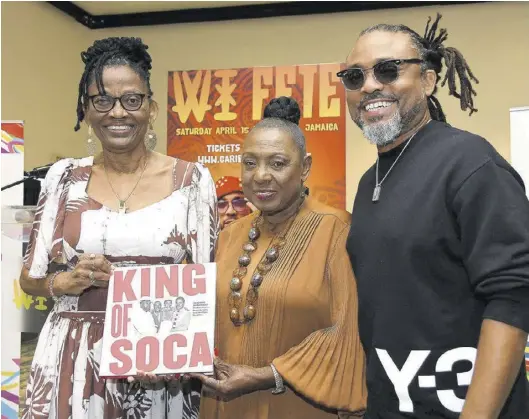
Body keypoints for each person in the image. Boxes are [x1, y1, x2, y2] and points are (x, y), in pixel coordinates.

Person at [18, 37, 219, 419]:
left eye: (132, 100)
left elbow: (207, 283)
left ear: (151, 107)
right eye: (102, 100)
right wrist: (66, 281)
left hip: (159, 362)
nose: (117, 113)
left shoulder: (192, 181)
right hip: (73, 358)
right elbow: (30, 278)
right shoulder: (63, 179)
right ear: (86, 109)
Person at [341, 13, 529, 418]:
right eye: (354, 77)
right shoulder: (368, 182)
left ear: (427, 81)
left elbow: (513, 297)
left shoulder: (471, 164)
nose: (370, 85)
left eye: (388, 70)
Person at [193, 96, 367, 418]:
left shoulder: (337, 230)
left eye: (277, 163)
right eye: (249, 162)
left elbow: (349, 332)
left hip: (299, 405)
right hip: (225, 405)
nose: (260, 175)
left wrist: (268, 375)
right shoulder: (230, 236)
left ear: (305, 167)